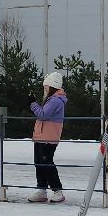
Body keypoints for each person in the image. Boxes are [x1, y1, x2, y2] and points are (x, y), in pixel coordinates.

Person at [28, 71, 66, 204]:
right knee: (39, 163)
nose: (44, 89)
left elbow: (43, 114)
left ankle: (57, 190)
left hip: (48, 138)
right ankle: (42, 189)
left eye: (46, 87)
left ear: (52, 87)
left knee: (46, 163)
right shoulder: (52, 99)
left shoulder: (55, 100)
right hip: (41, 136)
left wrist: (33, 104)